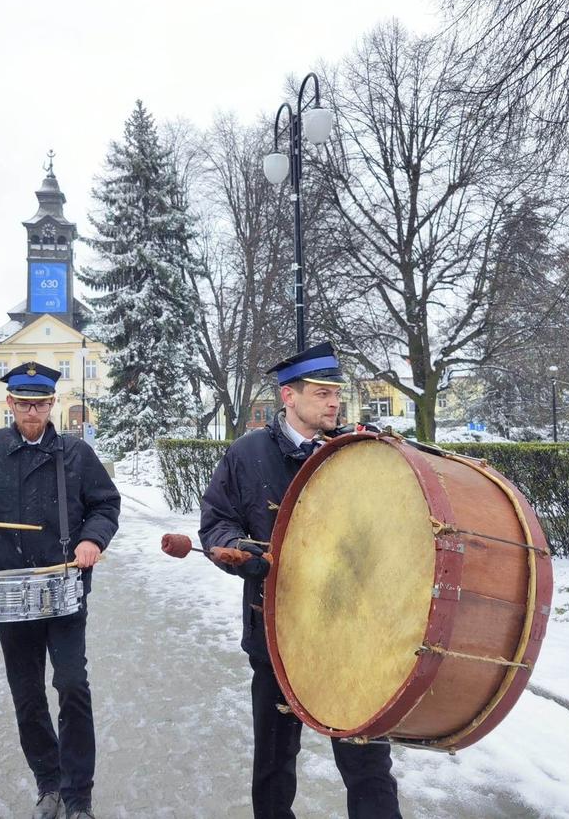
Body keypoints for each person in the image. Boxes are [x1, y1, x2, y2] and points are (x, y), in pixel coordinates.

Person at [199, 342, 402, 819]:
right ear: (288, 396)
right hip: (276, 631)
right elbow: (216, 524)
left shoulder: (361, 451)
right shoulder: (247, 454)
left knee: (368, 763)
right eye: (321, 393)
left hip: (354, 635)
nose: (334, 402)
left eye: (336, 393)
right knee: (273, 761)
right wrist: (241, 553)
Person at [0, 361, 120, 819]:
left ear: (52, 404)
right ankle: (48, 783)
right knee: (27, 693)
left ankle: (78, 795)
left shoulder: (75, 454)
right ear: (9, 403)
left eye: (41, 403)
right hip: (11, 589)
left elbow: (106, 504)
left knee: (72, 685)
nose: (32, 412)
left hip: (64, 585)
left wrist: (93, 539)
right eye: (23, 404)